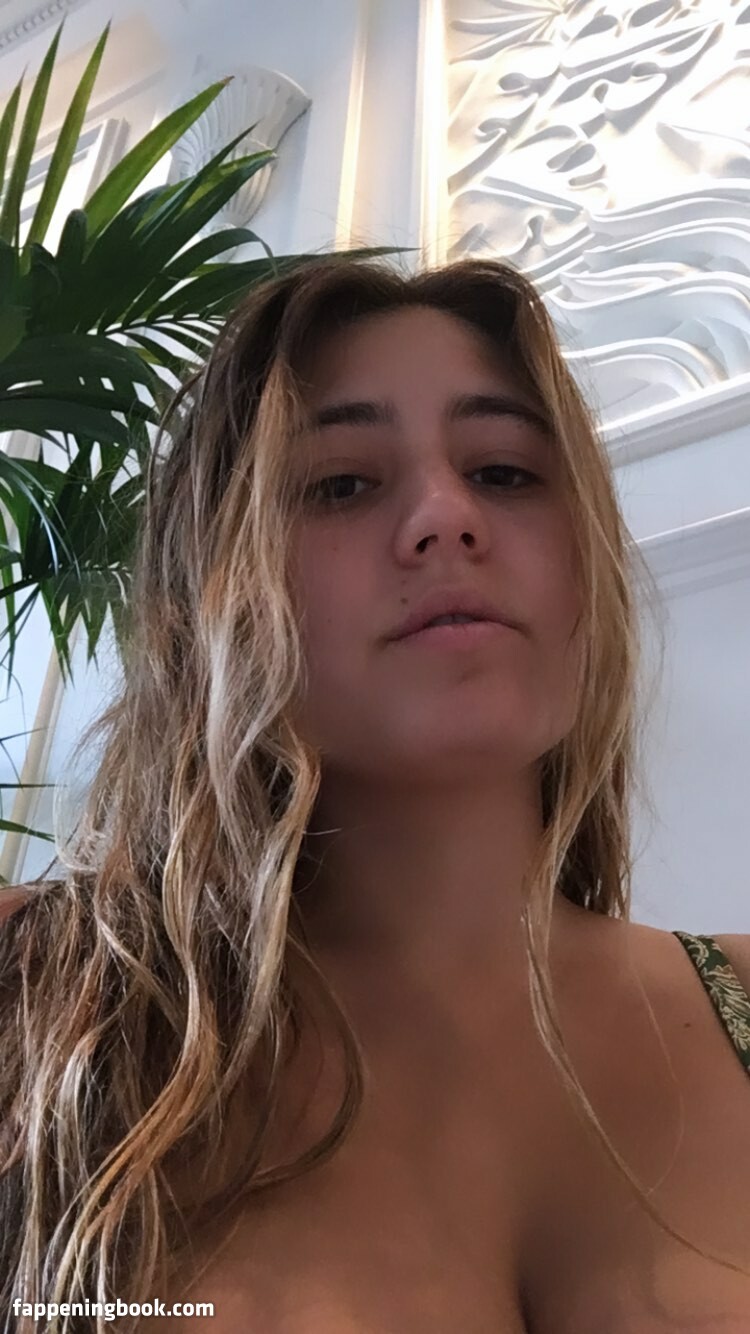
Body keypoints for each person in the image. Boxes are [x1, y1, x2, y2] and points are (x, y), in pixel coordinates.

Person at [1, 255, 749, 1333]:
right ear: (216, 591)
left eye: (505, 471)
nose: (446, 516)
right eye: (342, 484)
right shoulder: (42, 1001)